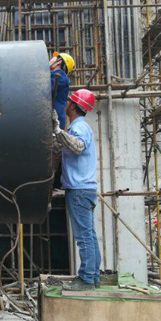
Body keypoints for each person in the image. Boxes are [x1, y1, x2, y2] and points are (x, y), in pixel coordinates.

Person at [52, 89, 101, 291]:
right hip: (84, 190)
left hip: (79, 191)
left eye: (69, 101)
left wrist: (58, 131)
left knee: (84, 237)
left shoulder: (79, 128)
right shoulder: (78, 127)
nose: (66, 104)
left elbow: (78, 147)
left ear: (73, 105)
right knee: (89, 236)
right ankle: (93, 276)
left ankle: (87, 279)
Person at [50, 52, 75, 131]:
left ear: (59, 62)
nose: (50, 60)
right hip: (54, 122)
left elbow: (44, 90)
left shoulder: (60, 76)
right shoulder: (56, 76)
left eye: (52, 58)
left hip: (55, 124)